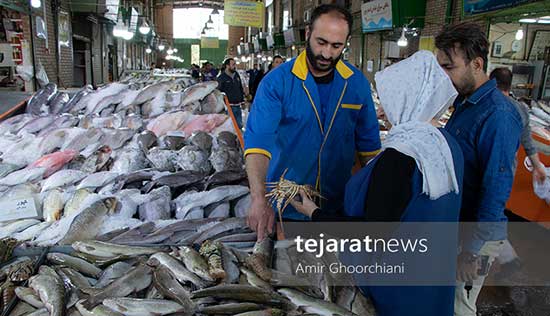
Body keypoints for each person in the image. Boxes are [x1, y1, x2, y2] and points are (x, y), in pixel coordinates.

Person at [291, 50, 464, 316]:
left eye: (390, 100)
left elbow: (370, 235)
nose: (382, 111)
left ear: (411, 98)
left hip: (396, 290)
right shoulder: (446, 145)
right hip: (433, 283)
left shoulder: (400, 158)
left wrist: (313, 213)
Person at [244, 4, 381, 240]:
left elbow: (369, 148)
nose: (327, 54)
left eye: (336, 46)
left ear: (346, 43)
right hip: (288, 207)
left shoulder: (356, 84)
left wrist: (375, 200)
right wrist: (259, 198)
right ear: (308, 34)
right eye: (321, 42)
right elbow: (258, 143)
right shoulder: (277, 83)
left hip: (338, 207)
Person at [435, 22, 522, 316]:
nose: (444, 76)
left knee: (460, 305)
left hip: (477, 238)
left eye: (450, 67)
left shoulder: (498, 114)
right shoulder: (465, 103)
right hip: (458, 228)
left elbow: (495, 189)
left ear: (477, 63)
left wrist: (472, 252)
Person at [490, 67, 546, 184]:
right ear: (510, 86)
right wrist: (537, 166)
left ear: (491, 83)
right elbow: (528, 142)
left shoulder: (485, 105)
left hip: (483, 168)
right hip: (506, 170)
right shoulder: (521, 109)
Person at [217, 58, 245, 129]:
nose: (235, 66)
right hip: (228, 108)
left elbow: (240, 88)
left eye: (235, 64)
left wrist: (242, 101)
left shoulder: (236, 75)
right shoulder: (221, 78)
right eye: (233, 64)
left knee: (239, 126)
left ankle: (239, 139)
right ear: (227, 66)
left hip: (238, 106)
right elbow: (218, 93)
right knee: (230, 127)